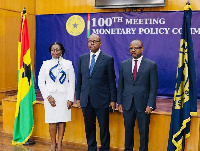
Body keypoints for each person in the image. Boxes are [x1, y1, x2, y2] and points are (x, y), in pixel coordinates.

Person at [76, 33, 117, 151]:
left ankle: (105, 148)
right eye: (90, 41)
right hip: (86, 99)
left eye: (95, 41)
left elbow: (111, 81)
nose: (92, 43)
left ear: (100, 43)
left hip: (102, 99)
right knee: (89, 127)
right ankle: (91, 147)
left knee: (104, 127)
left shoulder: (108, 59)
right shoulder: (82, 58)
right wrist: (78, 97)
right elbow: (80, 80)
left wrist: (113, 100)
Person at [117, 39, 158, 151]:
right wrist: (119, 102)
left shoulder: (151, 65)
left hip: (144, 104)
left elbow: (153, 88)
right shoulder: (124, 64)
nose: (133, 50)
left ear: (142, 49)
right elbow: (121, 85)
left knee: (143, 132)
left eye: (135, 48)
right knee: (128, 131)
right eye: (131, 48)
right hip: (127, 104)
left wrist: (150, 104)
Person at [38, 42, 75, 151]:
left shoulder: (68, 64)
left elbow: (72, 83)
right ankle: (53, 144)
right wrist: (48, 96)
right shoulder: (46, 64)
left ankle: (59, 144)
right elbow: (41, 82)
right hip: (50, 97)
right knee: (52, 120)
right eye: (53, 50)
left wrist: (70, 98)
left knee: (62, 120)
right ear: (50, 51)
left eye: (57, 50)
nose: (55, 52)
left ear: (61, 51)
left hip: (63, 96)